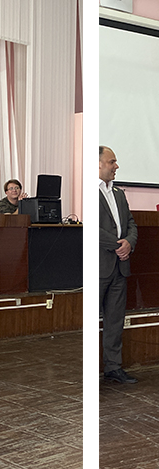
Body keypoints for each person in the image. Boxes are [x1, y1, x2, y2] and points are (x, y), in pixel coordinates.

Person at [99, 146, 138, 383]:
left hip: (120, 268)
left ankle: (113, 367)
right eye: (112, 161)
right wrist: (117, 244)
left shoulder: (119, 193)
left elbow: (131, 223)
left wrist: (129, 243)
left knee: (115, 320)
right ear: (98, 164)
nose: (116, 166)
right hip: (99, 266)